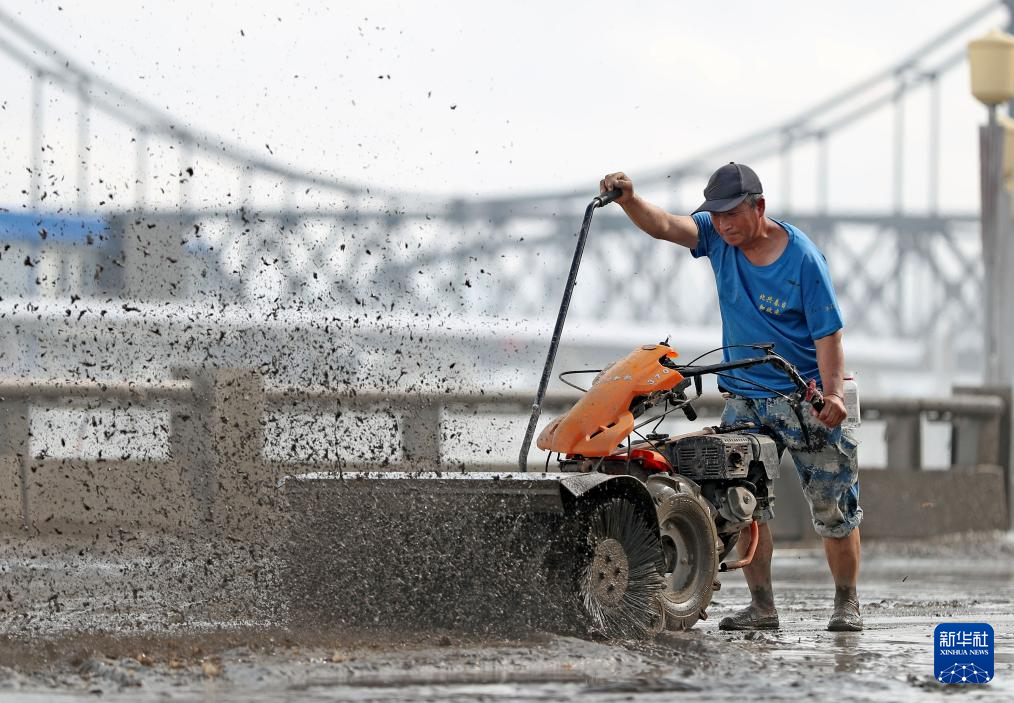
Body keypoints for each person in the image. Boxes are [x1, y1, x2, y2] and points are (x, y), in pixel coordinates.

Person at [600, 163, 863, 632]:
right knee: (741, 506)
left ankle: (847, 602)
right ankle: (762, 608)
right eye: (715, 216)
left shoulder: (803, 259)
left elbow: (830, 335)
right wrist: (629, 201)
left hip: (806, 398)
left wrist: (835, 395)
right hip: (745, 396)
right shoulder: (717, 238)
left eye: (731, 215)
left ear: (758, 207)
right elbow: (664, 225)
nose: (722, 225)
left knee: (834, 509)